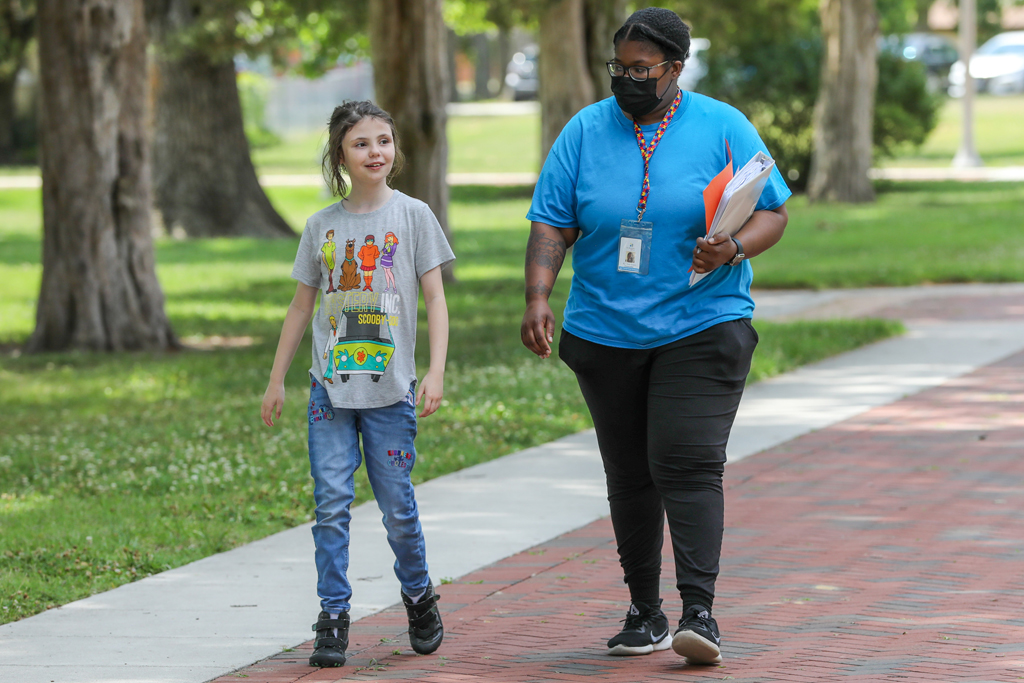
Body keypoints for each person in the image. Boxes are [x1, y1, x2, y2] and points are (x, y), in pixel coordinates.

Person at [520, 7, 790, 666]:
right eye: (621, 68)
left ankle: (700, 612)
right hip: (604, 329)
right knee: (630, 472)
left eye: (642, 70)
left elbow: (775, 211)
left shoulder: (722, 125)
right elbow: (552, 223)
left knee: (687, 458)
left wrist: (732, 248)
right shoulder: (585, 130)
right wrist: (537, 296)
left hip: (703, 318)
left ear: (675, 68)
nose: (628, 80)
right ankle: (644, 612)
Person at [261, 100, 455, 668]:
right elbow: (301, 308)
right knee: (330, 507)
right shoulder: (322, 226)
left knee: (398, 507)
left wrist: (437, 370)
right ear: (340, 155)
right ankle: (333, 615)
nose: (376, 152)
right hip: (330, 392)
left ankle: (419, 597)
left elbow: (436, 298)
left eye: (384, 141)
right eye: (361, 144)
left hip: (391, 393)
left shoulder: (414, 215)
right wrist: (277, 380)